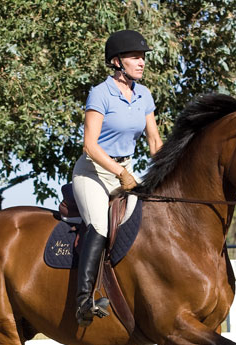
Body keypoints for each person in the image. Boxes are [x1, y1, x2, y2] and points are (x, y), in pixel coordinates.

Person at [72, 29, 163, 327]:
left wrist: (166, 169)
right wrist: (121, 173)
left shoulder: (144, 95)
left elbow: (154, 143)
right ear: (117, 62)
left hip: (127, 172)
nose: (142, 62)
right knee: (99, 225)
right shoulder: (100, 93)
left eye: (143, 57)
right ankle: (83, 301)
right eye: (135, 57)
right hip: (94, 171)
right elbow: (90, 145)